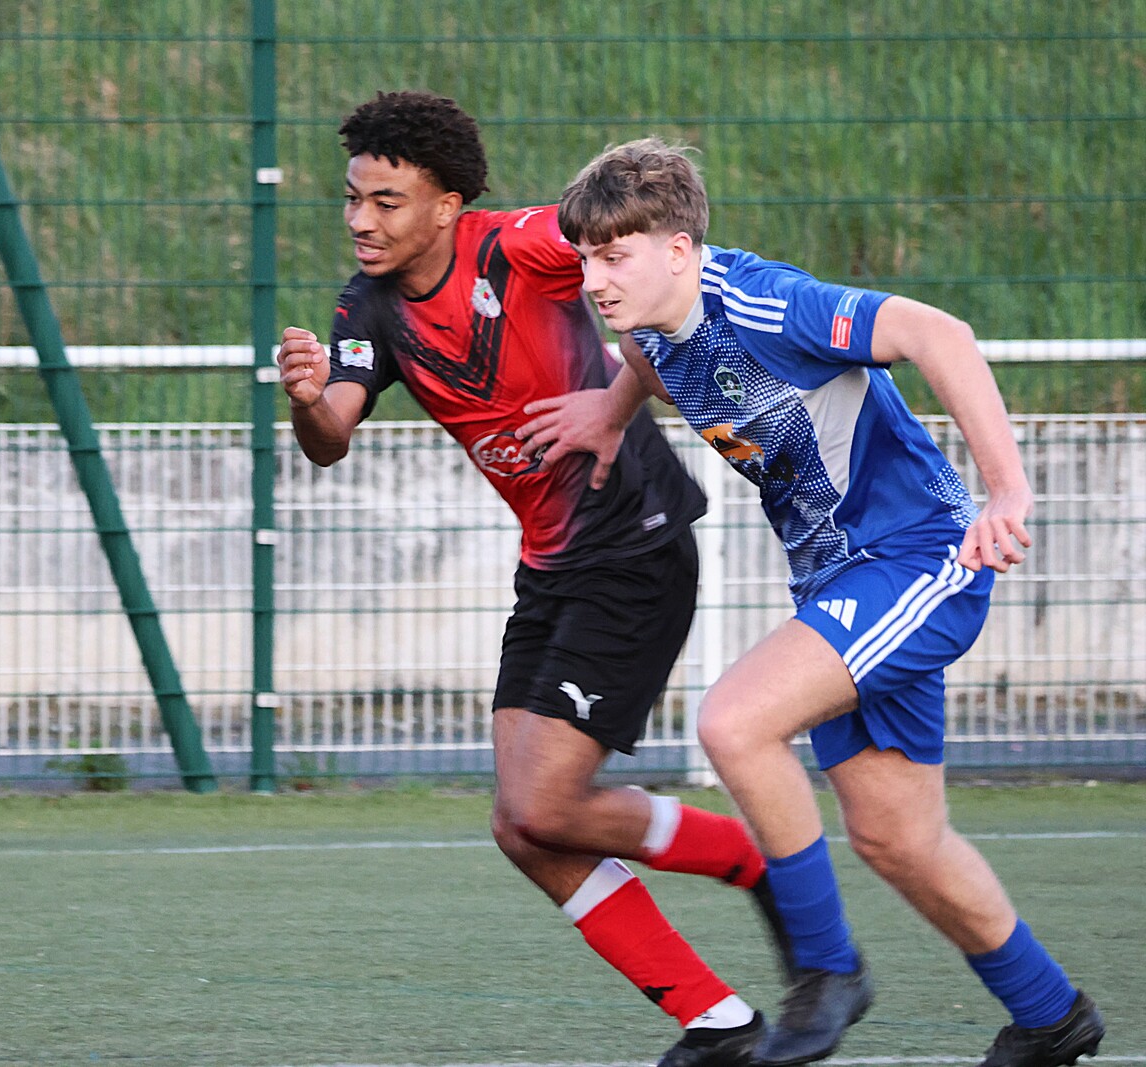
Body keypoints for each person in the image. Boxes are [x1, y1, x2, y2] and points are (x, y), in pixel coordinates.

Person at [518, 136, 1106, 1067]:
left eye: (614, 256)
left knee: (735, 721)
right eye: (585, 257)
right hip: (841, 583)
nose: (593, 279)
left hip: (918, 559)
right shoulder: (649, 329)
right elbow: (646, 358)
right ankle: (1050, 1015)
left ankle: (827, 969)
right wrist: (610, 411)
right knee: (898, 838)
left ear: (680, 249)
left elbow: (939, 334)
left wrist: (1007, 492)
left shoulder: (766, 301)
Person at [277, 90, 796, 1067]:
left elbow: (645, 263)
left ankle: (757, 861)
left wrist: (618, 395)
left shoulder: (516, 247)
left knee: (548, 805)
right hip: (553, 567)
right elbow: (330, 436)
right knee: (522, 827)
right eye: (351, 198)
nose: (360, 219)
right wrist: (305, 397)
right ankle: (718, 1020)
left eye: (386, 201)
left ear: (447, 205)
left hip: (635, 546)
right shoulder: (367, 303)